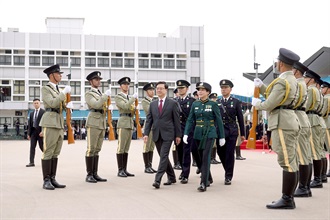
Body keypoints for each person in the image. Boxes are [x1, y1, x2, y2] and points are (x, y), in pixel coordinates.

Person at [253, 48, 300, 209]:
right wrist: (263, 87)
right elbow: (278, 96)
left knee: (286, 161)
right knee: (291, 160)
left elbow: (270, 104)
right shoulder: (291, 79)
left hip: (283, 122)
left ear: (280, 63)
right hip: (289, 120)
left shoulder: (282, 81)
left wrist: (257, 104)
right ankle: (289, 197)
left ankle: (287, 199)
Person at [183, 82, 225, 192]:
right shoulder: (195, 104)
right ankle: (209, 177)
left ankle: (203, 182)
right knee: (198, 155)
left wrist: (221, 136)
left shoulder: (213, 104)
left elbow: (219, 120)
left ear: (208, 92)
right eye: (198, 89)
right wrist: (186, 133)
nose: (200, 91)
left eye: (203, 90)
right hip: (197, 132)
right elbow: (190, 119)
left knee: (206, 156)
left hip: (209, 132)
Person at [143, 81, 181, 189]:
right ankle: (172, 176)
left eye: (161, 88)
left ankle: (157, 179)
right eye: (157, 88)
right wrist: (146, 133)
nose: (158, 90)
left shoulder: (172, 103)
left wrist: (178, 135)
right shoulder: (153, 104)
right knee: (163, 156)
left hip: (168, 134)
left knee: (164, 156)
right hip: (156, 134)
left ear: (166, 90)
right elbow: (149, 120)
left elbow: (176, 120)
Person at [39, 64, 72, 190]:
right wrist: (63, 93)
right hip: (50, 121)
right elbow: (52, 103)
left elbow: (60, 104)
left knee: (55, 152)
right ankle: (46, 180)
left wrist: (68, 106)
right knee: (48, 151)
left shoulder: (58, 89)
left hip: (58, 122)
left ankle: (52, 178)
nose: (60, 75)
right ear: (52, 75)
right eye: (58, 73)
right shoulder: (46, 88)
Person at [216, 79, 245, 185]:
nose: (223, 89)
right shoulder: (217, 102)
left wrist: (242, 133)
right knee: (220, 152)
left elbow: (240, 118)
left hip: (231, 130)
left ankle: (228, 175)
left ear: (230, 89)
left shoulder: (236, 101)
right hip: (220, 131)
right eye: (222, 88)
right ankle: (227, 168)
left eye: (225, 88)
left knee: (229, 153)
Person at [291, 62, 312, 197]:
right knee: (305, 155)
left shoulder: (298, 84)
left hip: (298, 117)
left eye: (292, 69)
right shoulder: (303, 84)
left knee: (302, 156)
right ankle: (306, 187)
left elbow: (294, 102)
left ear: (296, 71)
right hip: (303, 118)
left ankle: (303, 187)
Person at [84, 71, 110, 183]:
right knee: (91, 149)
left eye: (99, 79)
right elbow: (95, 104)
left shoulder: (100, 93)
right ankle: (89, 174)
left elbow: (102, 105)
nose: (98, 81)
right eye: (96, 79)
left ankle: (95, 173)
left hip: (101, 122)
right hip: (93, 122)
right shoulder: (89, 93)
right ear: (91, 81)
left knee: (97, 149)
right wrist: (105, 96)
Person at [175, 79, 201, 184]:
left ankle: (185, 174)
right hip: (177, 129)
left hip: (189, 129)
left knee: (187, 151)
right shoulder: (174, 101)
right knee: (180, 151)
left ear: (187, 89)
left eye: (182, 88)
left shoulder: (192, 101)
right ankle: (184, 169)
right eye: (179, 88)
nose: (180, 90)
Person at [303, 69, 323, 189]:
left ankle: (317, 179)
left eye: (306, 78)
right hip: (317, 119)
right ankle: (318, 178)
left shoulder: (311, 90)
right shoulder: (318, 91)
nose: (304, 80)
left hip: (311, 119)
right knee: (317, 150)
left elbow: (306, 105)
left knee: (314, 151)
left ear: (311, 79)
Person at [115, 77, 138, 177]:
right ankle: (120, 170)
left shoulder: (128, 97)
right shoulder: (118, 96)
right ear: (121, 86)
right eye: (124, 84)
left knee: (126, 148)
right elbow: (125, 107)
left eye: (128, 84)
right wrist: (133, 99)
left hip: (129, 122)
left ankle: (124, 169)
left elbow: (130, 109)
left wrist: (135, 109)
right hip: (123, 123)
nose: (126, 86)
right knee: (121, 147)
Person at [141, 82, 157, 174]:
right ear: (147, 91)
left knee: (151, 146)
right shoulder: (145, 101)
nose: (152, 91)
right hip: (149, 125)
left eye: (153, 90)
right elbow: (149, 111)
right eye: (150, 90)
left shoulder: (154, 101)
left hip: (155, 126)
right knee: (146, 146)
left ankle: (150, 165)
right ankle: (146, 166)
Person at [26, 98, 45, 167]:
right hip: (33, 132)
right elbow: (30, 124)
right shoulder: (31, 113)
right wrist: (28, 134)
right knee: (32, 147)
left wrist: (43, 131)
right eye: (35, 103)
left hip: (40, 133)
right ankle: (31, 162)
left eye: (37, 103)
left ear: (40, 104)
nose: (36, 104)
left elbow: (45, 123)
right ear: (33, 104)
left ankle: (48, 159)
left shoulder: (43, 112)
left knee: (42, 147)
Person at [319, 81, 329, 183]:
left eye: (324, 88)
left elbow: (323, 112)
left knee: (327, 146)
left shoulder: (326, 98)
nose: (322, 90)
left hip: (327, 123)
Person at [209, 92, 221, 164]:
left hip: (216, 126)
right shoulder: (208, 106)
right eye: (213, 98)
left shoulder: (217, 106)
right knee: (211, 144)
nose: (214, 100)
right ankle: (211, 158)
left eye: (215, 98)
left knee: (215, 144)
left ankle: (213, 158)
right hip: (210, 127)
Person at [172, 88, 181, 170]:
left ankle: (180, 162)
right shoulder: (173, 101)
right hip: (175, 126)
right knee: (175, 146)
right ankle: (176, 162)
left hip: (181, 125)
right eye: (177, 92)